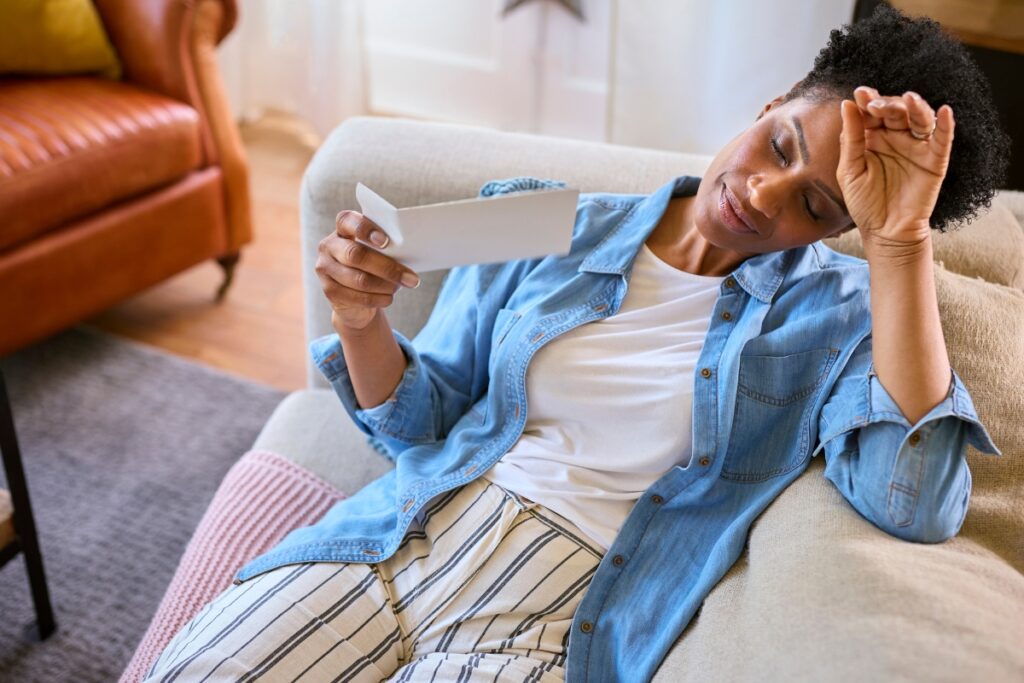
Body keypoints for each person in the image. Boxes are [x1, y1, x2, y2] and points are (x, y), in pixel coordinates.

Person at [144, 5, 1009, 682]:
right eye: (779, 144)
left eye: (818, 205)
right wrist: (361, 319)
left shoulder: (842, 319)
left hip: (555, 611)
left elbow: (913, 500)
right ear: (769, 105)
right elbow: (422, 420)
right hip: (406, 534)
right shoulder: (546, 218)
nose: (764, 191)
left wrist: (900, 243)